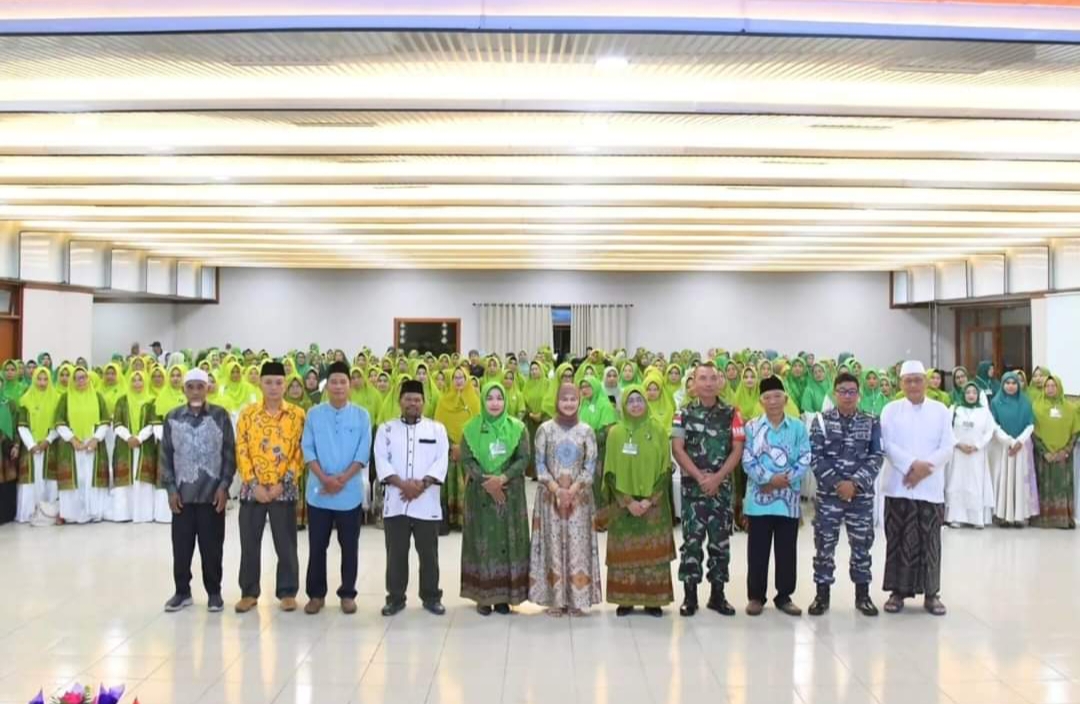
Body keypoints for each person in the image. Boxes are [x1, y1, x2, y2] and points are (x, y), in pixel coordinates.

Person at [880, 360, 956, 616]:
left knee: (930, 542)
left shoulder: (940, 410)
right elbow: (886, 444)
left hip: (930, 487)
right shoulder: (890, 410)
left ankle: (932, 594)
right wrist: (912, 464)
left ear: (925, 382)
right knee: (897, 539)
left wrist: (925, 468)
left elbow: (948, 445)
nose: (913, 385)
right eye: (908, 380)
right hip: (899, 485)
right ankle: (897, 592)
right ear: (901, 384)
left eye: (918, 380)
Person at [671, 362, 744, 617]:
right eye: (703, 378)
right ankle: (689, 596)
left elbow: (737, 449)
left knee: (720, 543)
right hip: (693, 491)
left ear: (720, 382)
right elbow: (677, 448)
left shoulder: (733, 413)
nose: (709, 383)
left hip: (721, 490)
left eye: (713, 378)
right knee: (691, 542)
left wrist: (717, 478)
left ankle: (717, 595)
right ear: (693, 382)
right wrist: (700, 477)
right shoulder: (682, 413)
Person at [808, 372, 883, 617]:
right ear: (835, 393)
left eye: (852, 392)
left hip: (860, 497)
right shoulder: (821, 421)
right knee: (824, 546)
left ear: (858, 394)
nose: (847, 396)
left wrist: (855, 484)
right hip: (829, 497)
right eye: (843, 391)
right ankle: (822, 596)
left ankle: (863, 596)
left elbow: (876, 456)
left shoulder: (871, 421)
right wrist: (838, 484)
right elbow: (815, 457)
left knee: (862, 546)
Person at [160, 369, 236, 613]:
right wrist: (171, 489)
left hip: (212, 497)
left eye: (199, 387)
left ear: (207, 389)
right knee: (181, 549)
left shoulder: (220, 416)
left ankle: (214, 593)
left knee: (212, 549)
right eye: (190, 387)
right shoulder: (173, 417)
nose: (195, 392)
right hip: (182, 497)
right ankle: (182, 592)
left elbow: (229, 454)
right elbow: (165, 456)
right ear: (183, 389)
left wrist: (224, 487)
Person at [234, 361, 306, 614]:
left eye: (278, 382)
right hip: (252, 490)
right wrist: (253, 483)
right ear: (260, 384)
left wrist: (282, 484)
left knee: (286, 544)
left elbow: (300, 451)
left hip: (283, 490)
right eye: (268, 382)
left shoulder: (297, 414)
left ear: (285, 385)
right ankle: (248, 592)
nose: (274, 387)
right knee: (249, 543)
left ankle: (287, 592)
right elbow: (241, 449)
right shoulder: (248, 414)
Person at [300, 361, 372, 615]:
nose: (339, 386)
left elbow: (363, 452)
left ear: (350, 385)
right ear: (327, 385)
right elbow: (308, 449)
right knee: (317, 546)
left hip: (349, 493)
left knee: (349, 546)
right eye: (334, 382)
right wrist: (325, 479)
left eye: (343, 381)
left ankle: (348, 593)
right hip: (319, 493)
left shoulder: (362, 415)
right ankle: (316, 595)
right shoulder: (314, 414)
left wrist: (341, 479)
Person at [373, 379, 449, 616]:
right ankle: (395, 598)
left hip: (427, 503)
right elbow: (381, 460)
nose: (413, 403)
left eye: (417, 399)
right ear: (400, 401)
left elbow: (441, 461)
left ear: (424, 402)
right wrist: (403, 485)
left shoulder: (437, 429)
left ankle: (431, 597)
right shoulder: (386, 429)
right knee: (396, 554)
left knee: (429, 554)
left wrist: (421, 485)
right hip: (396, 503)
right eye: (408, 399)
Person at [528, 383, 601, 616]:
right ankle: (555, 599)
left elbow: (591, 464)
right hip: (550, 499)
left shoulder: (586, 431)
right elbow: (539, 464)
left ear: (579, 401)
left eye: (573, 399)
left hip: (579, 500)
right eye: (564, 399)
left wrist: (574, 489)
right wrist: (557, 490)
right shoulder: (545, 430)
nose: (569, 403)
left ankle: (577, 599)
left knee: (578, 548)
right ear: (556, 401)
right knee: (552, 545)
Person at [602, 384, 675, 616]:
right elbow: (609, 472)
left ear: (646, 403)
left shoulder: (658, 430)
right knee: (625, 553)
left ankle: (653, 601)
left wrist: (649, 500)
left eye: (639, 400)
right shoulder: (615, 433)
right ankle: (625, 600)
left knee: (652, 555)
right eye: (630, 401)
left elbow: (666, 468)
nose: (635, 405)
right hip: (624, 506)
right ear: (624, 405)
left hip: (654, 505)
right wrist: (628, 501)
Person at [460, 381, 531, 615]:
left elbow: (524, 458)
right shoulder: (470, 428)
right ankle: (483, 596)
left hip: (510, 494)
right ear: (483, 400)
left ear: (505, 401)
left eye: (499, 398)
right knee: (483, 544)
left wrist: (502, 479)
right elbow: (467, 460)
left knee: (506, 543)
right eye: (489, 398)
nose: (494, 403)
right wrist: (488, 483)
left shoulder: (518, 428)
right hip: (480, 495)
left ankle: (504, 596)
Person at [741, 375, 811, 617]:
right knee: (757, 552)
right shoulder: (752, 427)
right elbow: (747, 459)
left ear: (786, 399)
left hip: (788, 501)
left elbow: (805, 456)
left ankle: (784, 596)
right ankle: (756, 597)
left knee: (786, 551)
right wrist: (769, 479)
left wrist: (784, 479)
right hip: (758, 501)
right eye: (767, 397)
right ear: (761, 401)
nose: (773, 401)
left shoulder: (798, 427)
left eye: (777, 396)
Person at [54, 366, 109, 524]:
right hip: (72, 445)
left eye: (84, 377)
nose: (81, 381)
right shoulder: (65, 398)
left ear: (88, 379)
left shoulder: (97, 396)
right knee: (77, 478)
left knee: (90, 478)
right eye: (77, 378)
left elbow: (105, 421)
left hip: (93, 444)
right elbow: (59, 422)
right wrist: (73, 439)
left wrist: (95, 439)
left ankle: (94, 512)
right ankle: (72, 514)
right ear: (72, 380)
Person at [433, 367, 479, 532]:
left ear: (467, 380)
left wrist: (463, 446)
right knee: (449, 481)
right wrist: (452, 445)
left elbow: (478, 427)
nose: (459, 381)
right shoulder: (443, 401)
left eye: (462, 377)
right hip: (448, 450)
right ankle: (449, 518)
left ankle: (464, 519)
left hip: (469, 450)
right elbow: (438, 427)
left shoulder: (474, 401)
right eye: (455, 378)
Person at [989, 371, 1037, 526]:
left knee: (1019, 480)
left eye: (1014, 383)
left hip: (1021, 448)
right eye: (1007, 383)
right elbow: (994, 425)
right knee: (1004, 480)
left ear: (1018, 385)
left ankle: (1019, 516)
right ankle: (1003, 516)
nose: (1010, 386)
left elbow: (1030, 424)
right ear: (1002, 385)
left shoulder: (1025, 402)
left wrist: (1019, 441)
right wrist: (1009, 441)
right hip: (1003, 448)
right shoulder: (996, 402)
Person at [945, 382, 996, 528]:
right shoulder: (955, 409)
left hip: (976, 454)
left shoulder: (984, 412)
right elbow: (946, 429)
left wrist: (977, 446)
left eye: (974, 392)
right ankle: (956, 517)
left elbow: (989, 431)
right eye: (968, 392)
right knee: (957, 482)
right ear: (963, 394)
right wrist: (958, 444)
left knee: (975, 483)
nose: (971, 395)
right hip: (958, 453)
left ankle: (976, 519)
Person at [1031, 375, 1078, 529]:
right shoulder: (1036, 407)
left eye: (1053, 386)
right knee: (1044, 485)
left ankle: (1063, 519)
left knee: (1062, 486)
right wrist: (1044, 452)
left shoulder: (1069, 408)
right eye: (1047, 386)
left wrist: (1065, 451)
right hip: (1043, 456)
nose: (1050, 389)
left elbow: (1075, 432)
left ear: (1059, 387)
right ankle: (1044, 519)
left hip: (1064, 457)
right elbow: (1033, 432)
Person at [112, 370, 157, 524]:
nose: (137, 383)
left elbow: (153, 424)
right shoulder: (122, 401)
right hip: (125, 445)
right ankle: (124, 513)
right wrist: (128, 437)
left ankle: (143, 514)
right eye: (134, 380)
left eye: (140, 380)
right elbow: (117, 423)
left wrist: (139, 438)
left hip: (145, 445)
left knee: (142, 481)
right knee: (126, 481)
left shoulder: (151, 401)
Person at [16, 367, 58, 522]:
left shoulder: (56, 399)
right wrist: (31, 444)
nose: (42, 382)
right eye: (39, 379)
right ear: (33, 380)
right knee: (30, 480)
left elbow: (59, 424)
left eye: (45, 379)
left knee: (49, 479)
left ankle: (49, 514)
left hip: (49, 446)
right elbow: (22, 425)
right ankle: (28, 514)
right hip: (30, 447)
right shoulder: (25, 400)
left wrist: (48, 440)